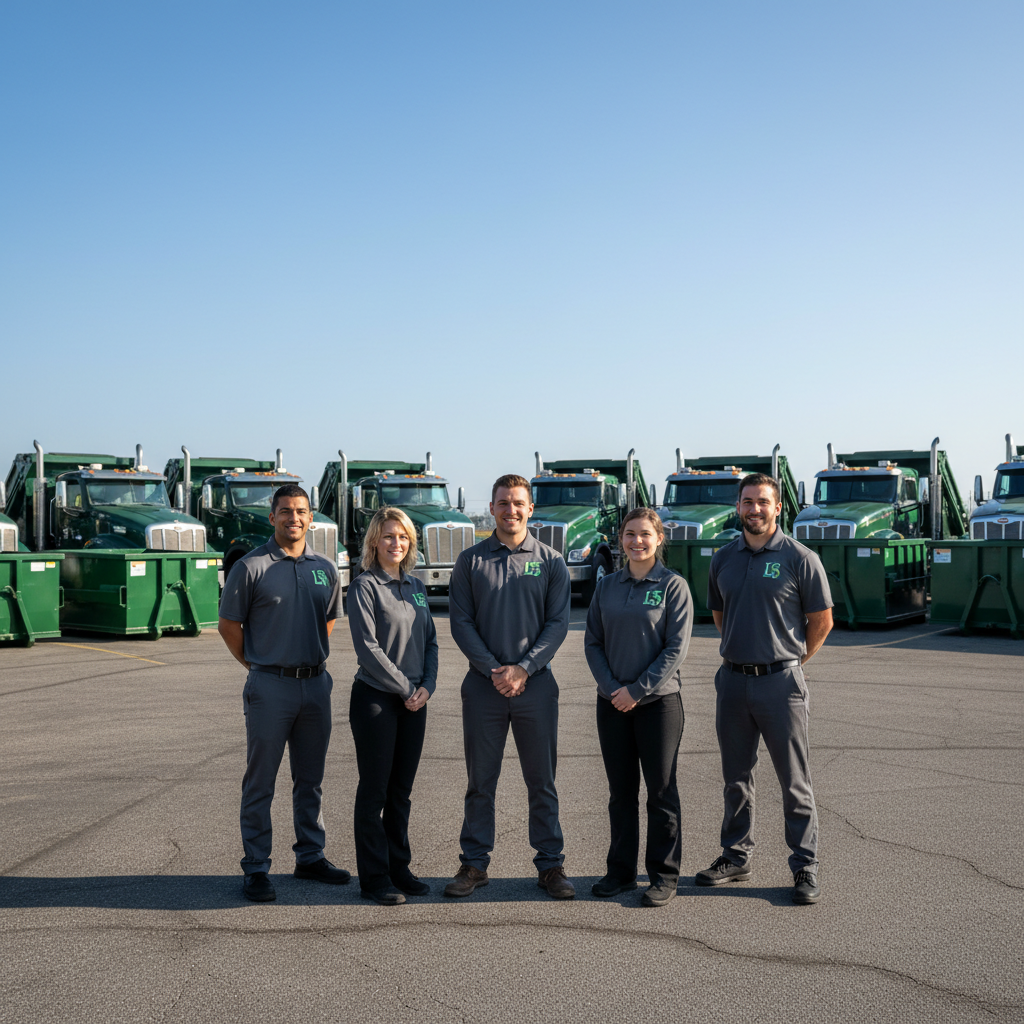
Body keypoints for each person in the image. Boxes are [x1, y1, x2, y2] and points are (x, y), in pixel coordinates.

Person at [696, 472, 833, 904]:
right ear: (738, 507)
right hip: (733, 681)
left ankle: (805, 865)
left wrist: (790, 662)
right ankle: (736, 856)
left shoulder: (800, 558)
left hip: (781, 684)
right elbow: (720, 616)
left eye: (763, 502)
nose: (755, 509)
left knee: (794, 781)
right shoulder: (723, 559)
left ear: (778, 508)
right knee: (736, 778)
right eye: (748, 502)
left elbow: (821, 621)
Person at [218, 483, 350, 902]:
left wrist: (304, 662)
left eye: (302, 512)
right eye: (286, 511)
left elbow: (327, 620)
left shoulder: (324, 568)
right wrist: (260, 665)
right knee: (261, 781)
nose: (295, 518)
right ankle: (256, 867)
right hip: (270, 686)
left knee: (310, 780)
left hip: (315, 684)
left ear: (311, 518)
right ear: (272, 517)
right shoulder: (251, 566)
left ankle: (310, 856)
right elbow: (229, 627)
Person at [444, 473, 573, 899]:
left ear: (530, 509)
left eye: (518, 503)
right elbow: (460, 622)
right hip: (484, 687)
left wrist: (524, 668)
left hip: (536, 687)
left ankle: (550, 866)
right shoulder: (471, 561)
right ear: (493, 508)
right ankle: (475, 864)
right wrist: (494, 670)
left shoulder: (552, 561)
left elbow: (558, 624)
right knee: (481, 780)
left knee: (542, 780)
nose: (510, 510)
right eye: (502, 503)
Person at [584, 507, 693, 907]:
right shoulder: (607, 586)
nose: (637, 541)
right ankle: (621, 872)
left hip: (659, 704)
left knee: (661, 792)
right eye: (630, 534)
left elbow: (675, 649)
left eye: (645, 534)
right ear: (621, 539)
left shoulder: (672, 586)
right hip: (611, 703)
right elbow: (593, 641)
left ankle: (663, 875)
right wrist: (614, 689)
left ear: (658, 538)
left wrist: (638, 690)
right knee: (621, 792)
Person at [347, 507, 438, 905]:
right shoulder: (365, 586)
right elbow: (367, 648)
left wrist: (427, 686)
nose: (395, 544)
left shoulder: (416, 586)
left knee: (401, 791)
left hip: (415, 701)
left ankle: (399, 868)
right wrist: (405, 687)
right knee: (375, 792)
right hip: (377, 700)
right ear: (373, 542)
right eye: (388, 536)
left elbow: (432, 641)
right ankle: (374, 878)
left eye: (402, 537)